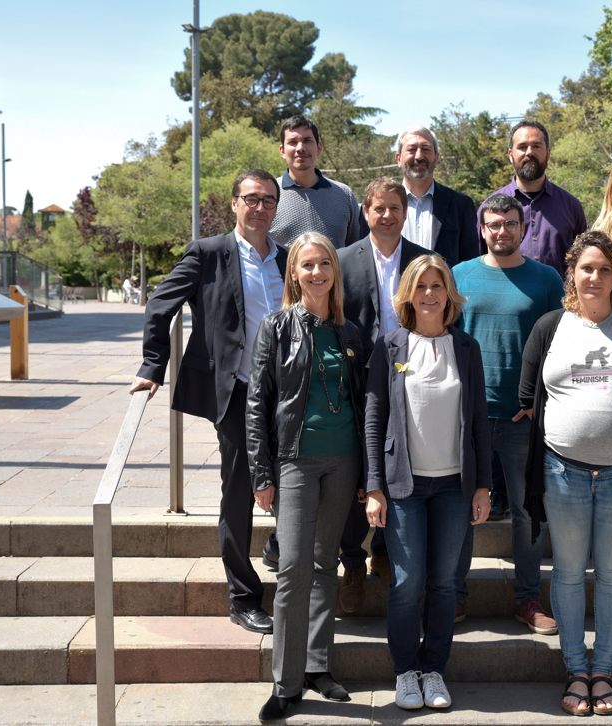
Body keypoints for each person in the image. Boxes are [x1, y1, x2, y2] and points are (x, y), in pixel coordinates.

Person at [130, 170, 286, 635]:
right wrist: (152, 365)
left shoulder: (288, 257)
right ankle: (243, 596)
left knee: (295, 483)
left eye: (268, 201)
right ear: (235, 204)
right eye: (251, 199)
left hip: (290, 393)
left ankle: (285, 557)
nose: (260, 208)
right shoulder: (209, 253)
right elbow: (161, 304)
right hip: (237, 391)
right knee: (239, 490)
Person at [520, 231, 612, 717]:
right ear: (572, 274)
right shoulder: (549, 327)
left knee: (611, 572)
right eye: (587, 268)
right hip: (563, 471)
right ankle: (575, 671)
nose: (596, 277)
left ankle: (603, 670)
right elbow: (528, 395)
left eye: (605, 269)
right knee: (565, 571)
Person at [246, 232, 366, 722]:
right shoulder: (276, 327)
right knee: (293, 567)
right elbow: (257, 404)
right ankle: (286, 681)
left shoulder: (351, 332)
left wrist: (369, 471)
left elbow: (363, 405)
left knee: (324, 564)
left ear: (335, 272)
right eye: (307, 265)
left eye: (325, 264)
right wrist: (261, 471)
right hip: (295, 460)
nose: (317, 273)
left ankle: (318, 666)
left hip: (343, 461)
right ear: (293, 273)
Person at [364, 254, 492, 710]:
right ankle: (405, 671)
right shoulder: (390, 346)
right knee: (406, 581)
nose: (430, 295)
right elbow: (374, 419)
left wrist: (483, 486)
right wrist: (374, 486)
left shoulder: (467, 348)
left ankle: (433, 669)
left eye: (438, 286)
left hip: (455, 487)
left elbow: (479, 420)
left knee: (443, 583)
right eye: (421, 287)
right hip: (404, 487)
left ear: (450, 295)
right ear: (408, 295)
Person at [451, 193, 562, 633]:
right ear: (482, 229)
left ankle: (528, 597)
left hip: (523, 420)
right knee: (459, 508)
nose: (502, 231)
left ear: (523, 228)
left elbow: (559, 345)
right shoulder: (458, 275)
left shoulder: (546, 279)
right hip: (468, 418)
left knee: (526, 510)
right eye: (494, 224)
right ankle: (452, 595)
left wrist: (539, 402)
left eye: (510, 224)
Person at [334, 177, 425, 613]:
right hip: (353, 383)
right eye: (378, 208)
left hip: (412, 381)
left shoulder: (425, 261)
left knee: (400, 466)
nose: (386, 215)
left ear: (405, 212)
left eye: (394, 207)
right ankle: (352, 563)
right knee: (357, 470)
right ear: (365, 213)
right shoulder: (340, 260)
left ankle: (385, 553)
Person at [478, 119, 587, 277]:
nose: (529, 152)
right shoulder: (488, 209)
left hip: (560, 301)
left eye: (536, 146)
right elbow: (479, 262)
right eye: (522, 147)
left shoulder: (571, 206)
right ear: (511, 155)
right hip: (508, 299)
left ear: (548, 153)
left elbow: (583, 262)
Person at [389, 125, 480, 266]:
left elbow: (470, 264)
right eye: (411, 150)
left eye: (426, 150)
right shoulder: (379, 206)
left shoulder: (461, 205)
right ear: (398, 159)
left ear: (436, 159)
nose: (419, 156)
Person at [269, 115, 361, 250]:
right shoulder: (268, 195)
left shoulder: (344, 195)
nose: (300, 147)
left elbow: (358, 251)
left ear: (319, 148)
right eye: (293, 142)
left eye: (307, 140)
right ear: (282, 151)